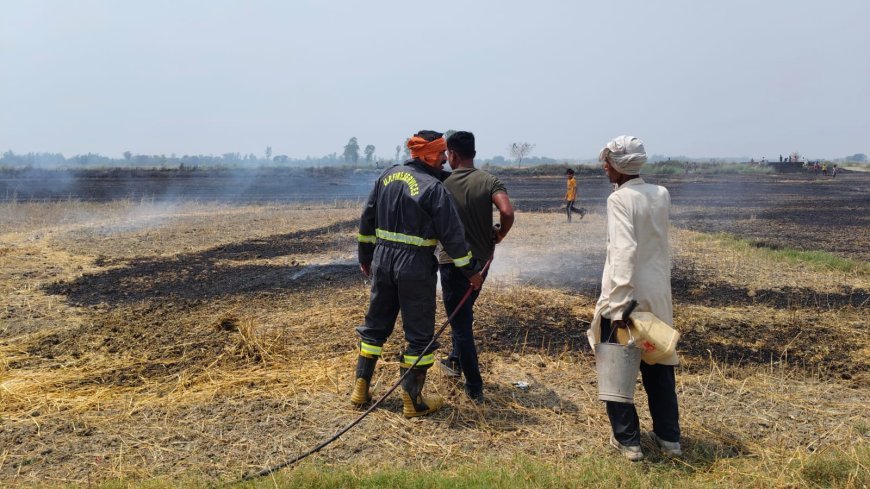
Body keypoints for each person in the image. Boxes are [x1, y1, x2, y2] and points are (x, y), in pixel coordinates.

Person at [353, 130, 484, 418]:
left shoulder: (387, 176)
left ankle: (360, 389)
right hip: (415, 266)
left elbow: (367, 221)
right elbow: (454, 239)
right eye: (440, 156)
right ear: (429, 155)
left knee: (374, 327)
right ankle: (414, 401)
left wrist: (366, 257)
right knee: (419, 337)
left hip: (383, 262)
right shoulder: (434, 188)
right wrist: (471, 272)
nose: (444, 163)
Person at [588, 135, 682, 461]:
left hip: (627, 298)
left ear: (619, 166)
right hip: (658, 295)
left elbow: (625, 251)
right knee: (658, 364)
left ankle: (628, 442)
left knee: (616, 368)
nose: (604, 166)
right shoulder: (661, 194)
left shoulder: (619, 201)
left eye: (608, 161)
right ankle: (670, 439)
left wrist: (619, 308)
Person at [437, 131, 514, 402]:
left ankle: (474, 387)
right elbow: (506, 212)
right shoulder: (490, 180)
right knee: (464, 314)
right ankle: (454, 360)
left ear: (452, 154)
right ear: (474, 154)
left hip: (452, 264)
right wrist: (500, 234)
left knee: (460, 325)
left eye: (447, 154)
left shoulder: (442, 182)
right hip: (481, 264)